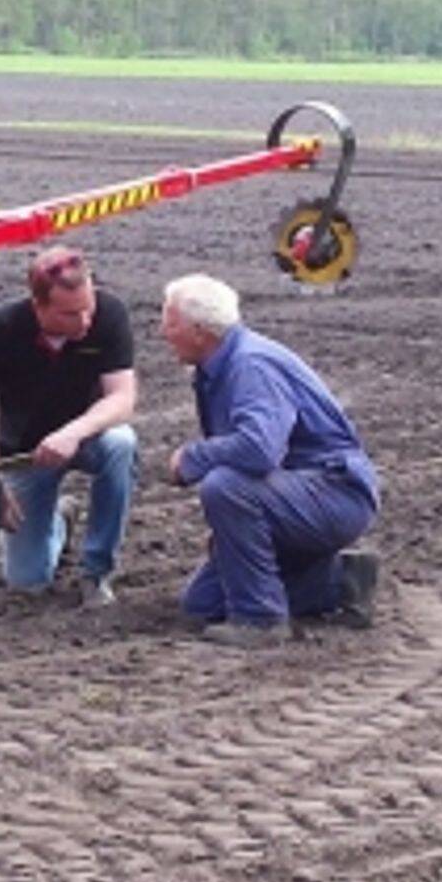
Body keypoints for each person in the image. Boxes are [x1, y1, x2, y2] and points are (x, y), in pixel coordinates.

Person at [160, 274, 381, 646]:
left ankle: (260, 619)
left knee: (225, 487)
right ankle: (339, 582)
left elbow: (259, 450)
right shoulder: (224, 362)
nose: (163, 333)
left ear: (200, 332)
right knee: (202, 605)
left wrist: (193, 458)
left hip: (335, 493)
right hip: (303, 492)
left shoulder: (250, 366)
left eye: (170, 323)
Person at [0, 246, 137, 606]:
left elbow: (122, 397)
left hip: (88, 437)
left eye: (88, 308)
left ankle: (97, 571)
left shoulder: (109, 315)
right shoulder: (0, 329)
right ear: (38, 306)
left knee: (122, 443)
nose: (84, 322)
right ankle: (60, 521)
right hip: (26, 451)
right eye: (70, 314)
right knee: (27, 581)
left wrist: (72, 433)